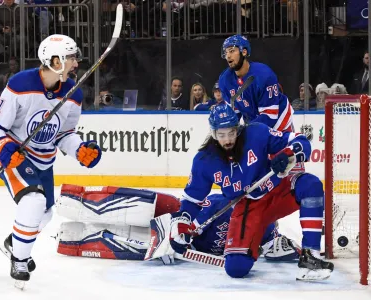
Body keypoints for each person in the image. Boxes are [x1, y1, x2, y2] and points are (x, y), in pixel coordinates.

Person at [0, 34, 102, 284]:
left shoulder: (73, 93)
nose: (75, 64)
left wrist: (79, 148)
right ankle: (20, 260)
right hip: (15, 155)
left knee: (44, 214)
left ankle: (13, 243)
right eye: (70, 58)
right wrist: (3, 148)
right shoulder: (20, 84)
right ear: (55, 60)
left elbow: (64, 133)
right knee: (34, 201)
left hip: (43, 161)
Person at [167, 102, 333, 281]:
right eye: (221, 135)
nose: (228, 139)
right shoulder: (204, 160)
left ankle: (311, 256)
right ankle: (266, 236)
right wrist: (181, 225)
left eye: (231, 132)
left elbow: (300, 140)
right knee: (236, 268)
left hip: (278, 191)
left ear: (237, 128)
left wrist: (289, 154)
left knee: (310, 185)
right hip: (248, 208)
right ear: (213, 133)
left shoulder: (257, 133)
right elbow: (192, 200)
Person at [55, 184, 300, 262]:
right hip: (176, 220)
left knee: (144, 246)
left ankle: (74, 241)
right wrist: (183, 229)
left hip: (179, 248)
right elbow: (201, 207)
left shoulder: (264, 238)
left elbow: (282, 250)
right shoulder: (236, 204)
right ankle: (80, 200)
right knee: (170, 203)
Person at [218, 35, 294, 132]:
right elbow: (233, 113)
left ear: (244, 52)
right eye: (226, 52)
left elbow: (270, 115)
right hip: (252, 121)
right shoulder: (225, 80)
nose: (228, 56)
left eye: (232, 51)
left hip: (279, 122)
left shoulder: (264, 75)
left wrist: (247, 132)